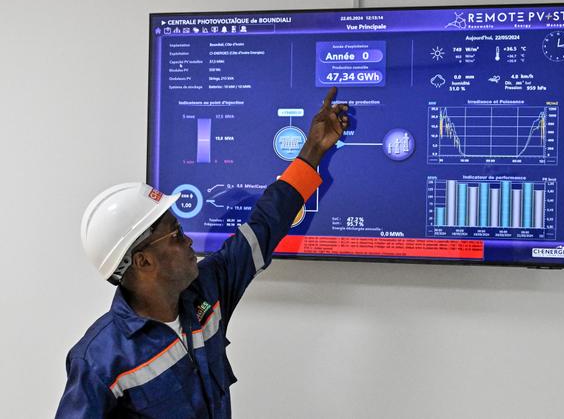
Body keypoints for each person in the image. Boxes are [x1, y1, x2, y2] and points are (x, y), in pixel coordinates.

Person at [55, 87, 349, 418]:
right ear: (143, 261)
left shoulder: (206, 293)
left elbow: (265, 224)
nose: (189, 243)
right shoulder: (99, 360)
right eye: (176, 235)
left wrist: (313, 150)